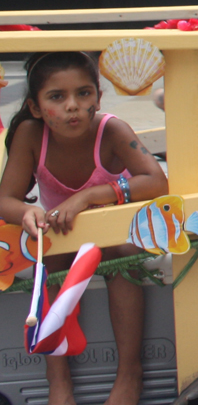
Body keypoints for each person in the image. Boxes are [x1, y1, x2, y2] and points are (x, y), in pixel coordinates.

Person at [0, 51, 169, 405]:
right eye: (57, 97)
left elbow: (156, 182)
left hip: (117, 234)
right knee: (51, 264)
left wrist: (90, 196)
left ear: (99, 97)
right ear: (35, 107)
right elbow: (5, 200)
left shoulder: (112, 129)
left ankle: (129, 373)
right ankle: (57, 378)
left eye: (84, 93)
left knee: (122, 260)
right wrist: (27, 212)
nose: (73, 106)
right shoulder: (31, 135)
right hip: (64, 236)